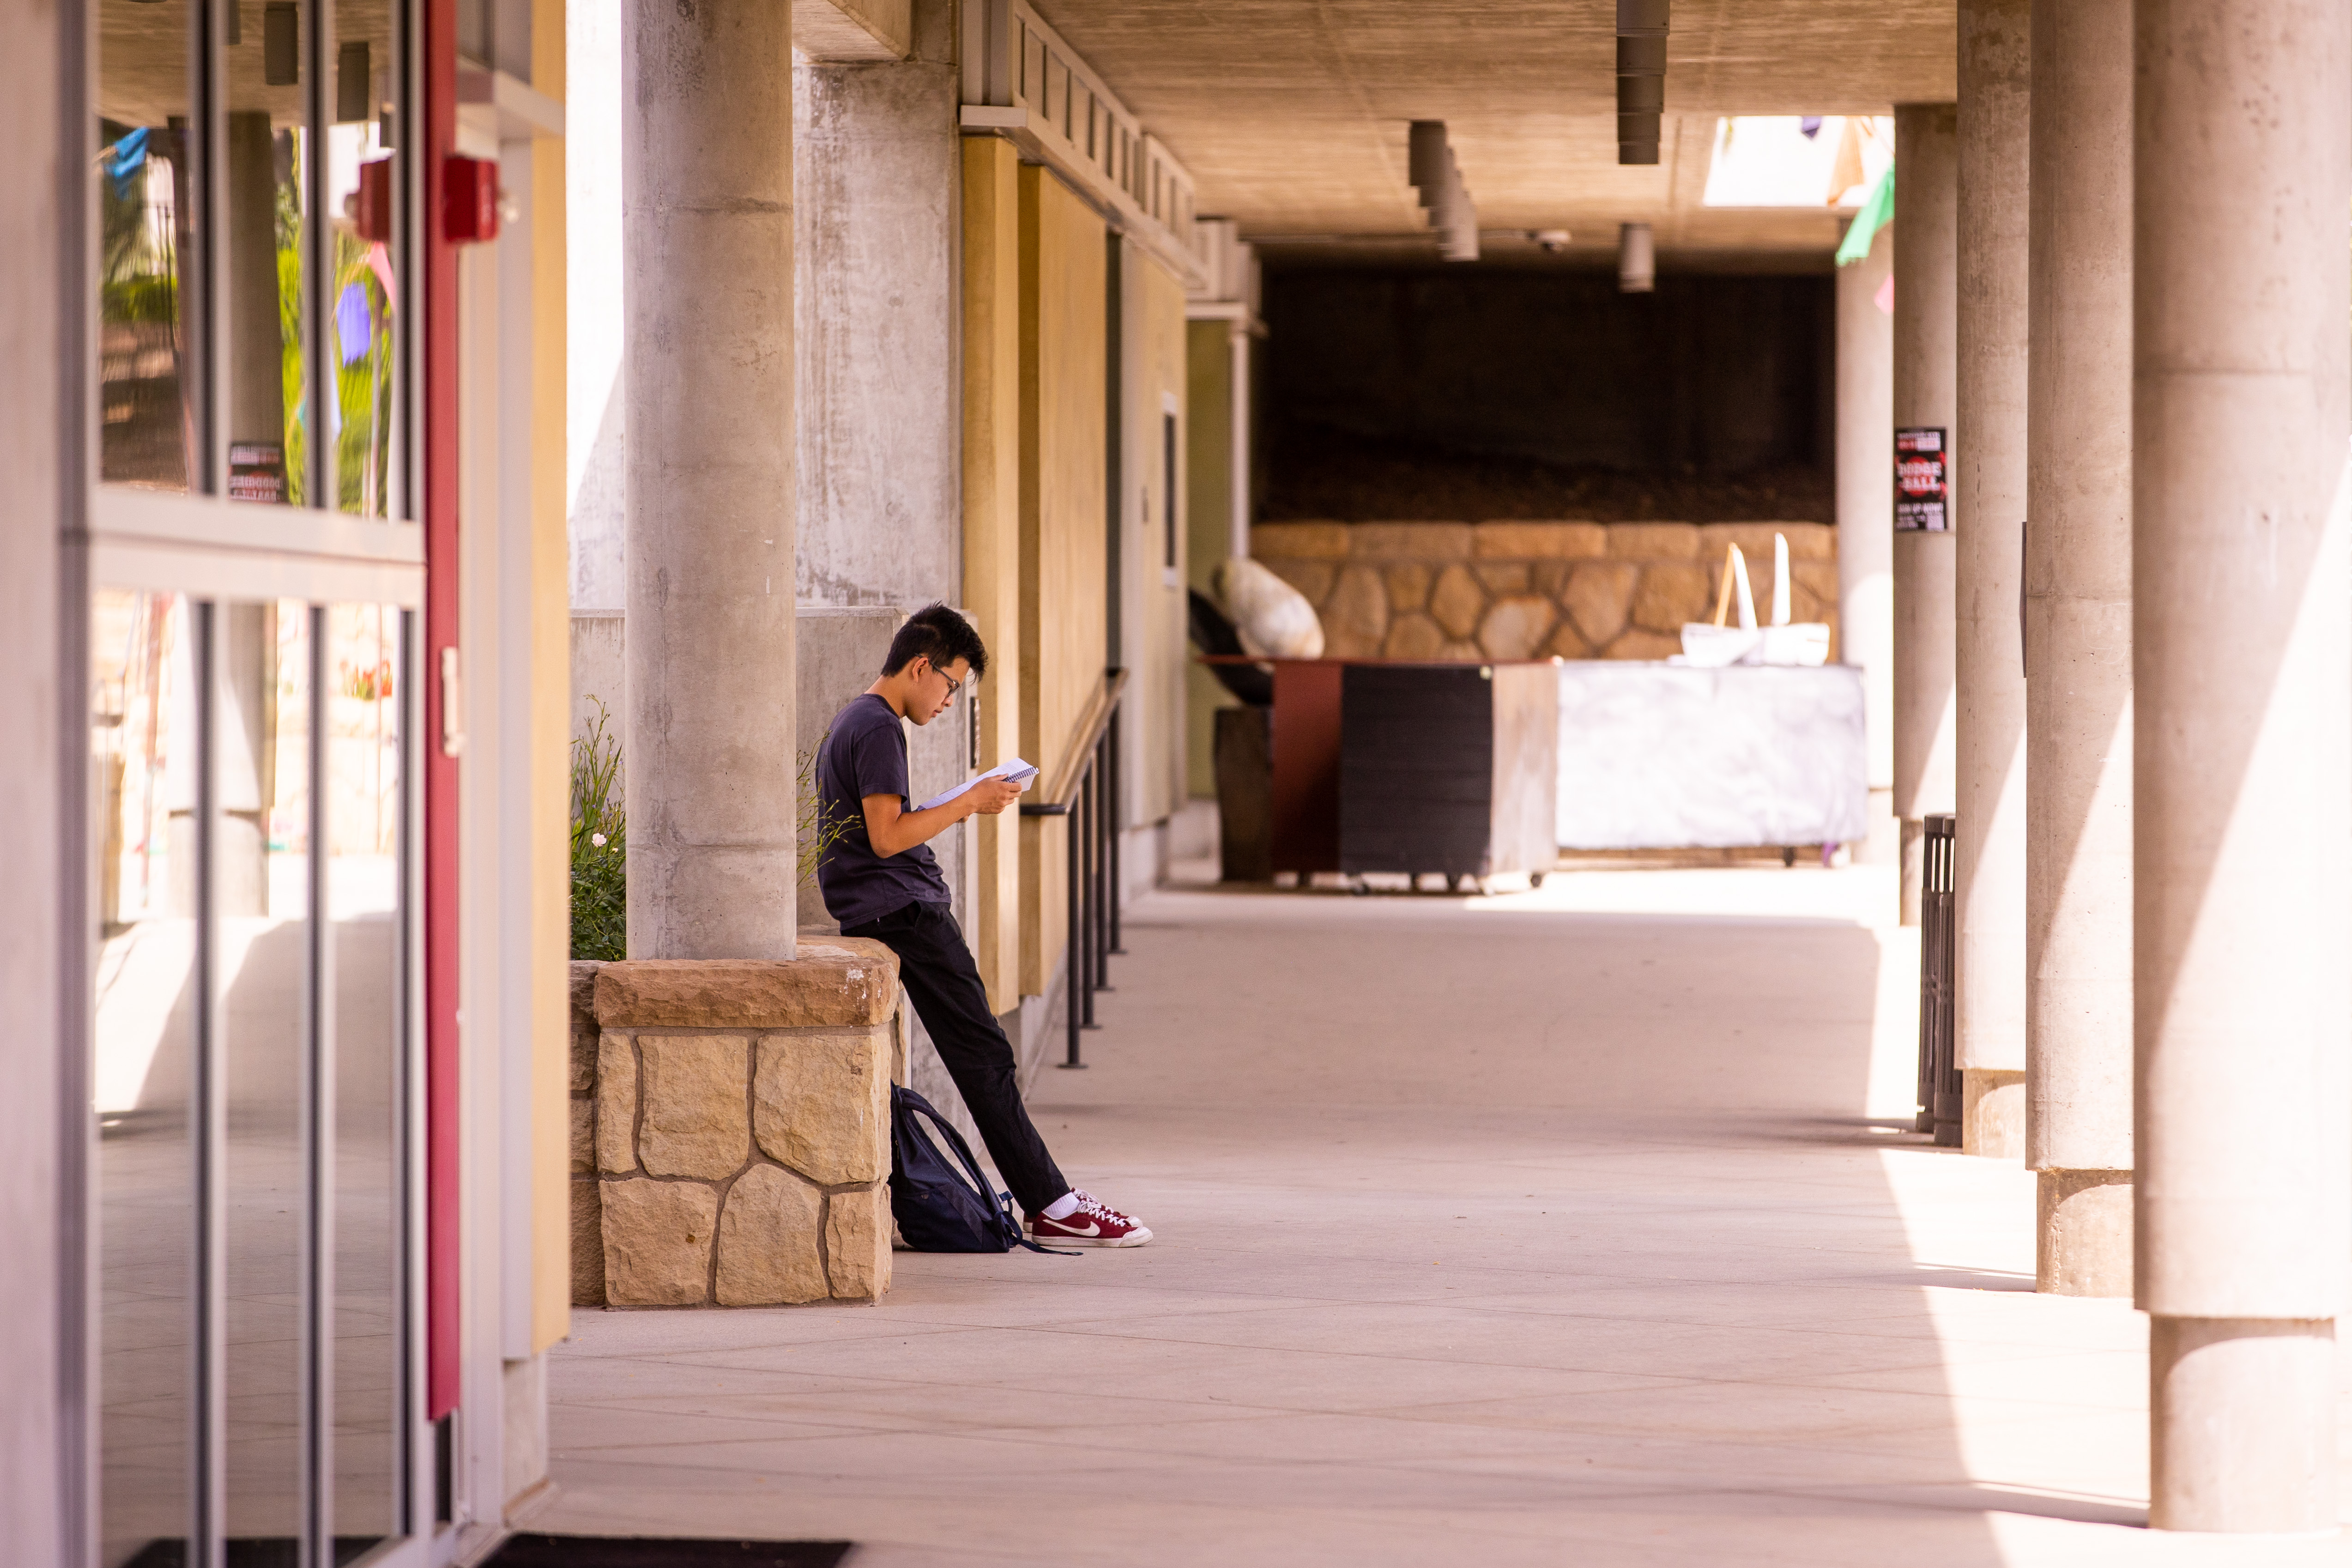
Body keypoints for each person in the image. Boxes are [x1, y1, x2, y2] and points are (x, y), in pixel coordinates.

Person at [816, 604, 1152, 1247]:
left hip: (889, 906)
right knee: (985, 1057)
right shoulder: (879, 729)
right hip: (902, 912)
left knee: (981, 1054)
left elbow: (880, 830)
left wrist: (957, 803)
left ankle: (1045, 1195)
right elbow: (887, 840)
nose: (948, 702)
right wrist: (970, 801)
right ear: (920, 667)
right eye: (949, 685)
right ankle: (1051, 1201)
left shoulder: (856, 722)